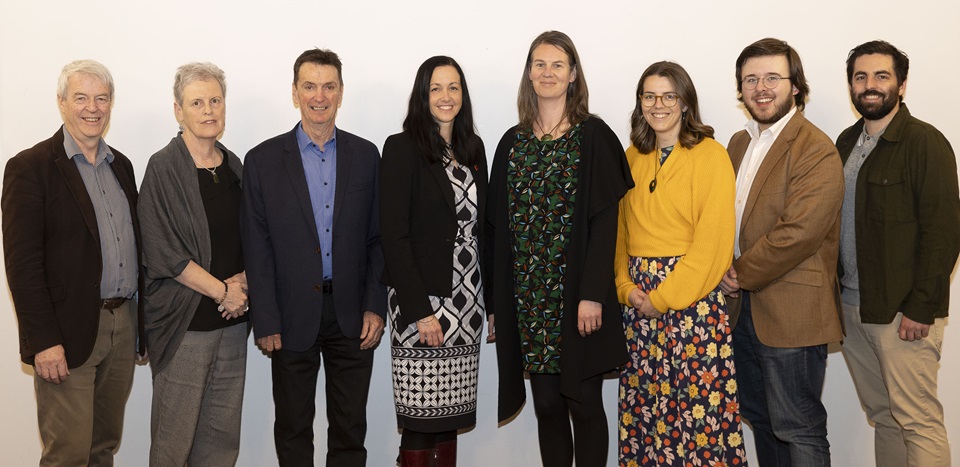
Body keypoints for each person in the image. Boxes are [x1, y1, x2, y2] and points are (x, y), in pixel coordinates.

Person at [486, 30, 633, 467]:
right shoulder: (511, 144)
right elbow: (495, 232)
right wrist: (497, 304)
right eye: (539, 64)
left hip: (576, 300)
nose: (547, 72)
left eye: (557, 65)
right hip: (529, 299)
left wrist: (592, 294)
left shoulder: (594, 136)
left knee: (584, 405)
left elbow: (606, 223)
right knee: (547, 406)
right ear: (529, 75)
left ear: (573, 75)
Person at [241, 48, 387, 467]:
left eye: (329, 86)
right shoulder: (263, 161)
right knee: (292, 429)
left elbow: (378, 240)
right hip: (288, 317)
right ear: (294, 92)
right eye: (309, 86)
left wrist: (374, 306)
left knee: (349, 431)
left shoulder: (366, 156)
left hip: (352, 316)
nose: (319, 96)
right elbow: (257, 247)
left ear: (341, 93)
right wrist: (265, 319)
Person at [1, 59, 143, 466]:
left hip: (122, 324)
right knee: (68, 453)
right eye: (81, 97)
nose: (92, 107)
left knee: (103, 447)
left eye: (101, 98)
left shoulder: (123, 166)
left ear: (111, 104)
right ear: (62, 103)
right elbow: (22, 265)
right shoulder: (30, 168)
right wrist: (42, 340)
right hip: (65, 332)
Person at [720, 37, 844, 466]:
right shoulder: (738, 143)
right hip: (741, 313)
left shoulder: (815, 147)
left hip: (792, 313)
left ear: (795, 85)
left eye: (773, 77)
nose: (761, 87)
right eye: (750, 79)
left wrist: (737, 273)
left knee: (798, 427)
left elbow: (800, 232)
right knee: (760, 417)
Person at [615, 61, 746, 466]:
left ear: (685, 103)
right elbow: (618, 233)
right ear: (640, 103)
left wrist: (665, 297)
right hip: (638, 306)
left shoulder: (711, 156)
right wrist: (624, 287)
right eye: (650, 95)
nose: (659, 104)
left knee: (698, 418)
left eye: (669, 95)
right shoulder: (631, 155)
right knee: (648, 417)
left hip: (692, 307)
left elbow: (713, 245)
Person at [835, 40, 959, 467]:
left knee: (917, 420)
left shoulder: (925, 142)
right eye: (860, 76)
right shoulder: (846, 142)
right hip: (853, 307)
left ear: (901, 85)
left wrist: (921, 308)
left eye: (881, 76)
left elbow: (944, 232)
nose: (870, 86)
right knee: (885, 417)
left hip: (902, 315)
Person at [138, 62, 250, 466]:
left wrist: (244, 283)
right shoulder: (163, 168)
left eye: (215, 100)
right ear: (178, 110)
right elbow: (162, 251)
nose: (208, 110)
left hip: (233, 325)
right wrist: (224, 291)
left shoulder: (235, 166)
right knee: (174, 441)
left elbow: (256, 237)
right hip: (185, 326)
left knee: (221, 442)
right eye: (196, 102)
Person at [380, 55, 488, 467]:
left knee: (449, 416)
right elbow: (394, 235)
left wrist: (490, 304)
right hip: (421, 301)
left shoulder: (472, 148)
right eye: (436, 88)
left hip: (467, 301)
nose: (446, 96)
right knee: (420, 416)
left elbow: (484, 229)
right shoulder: (402, 147)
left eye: (454, 87)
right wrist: (420, 312)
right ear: (422, 96)